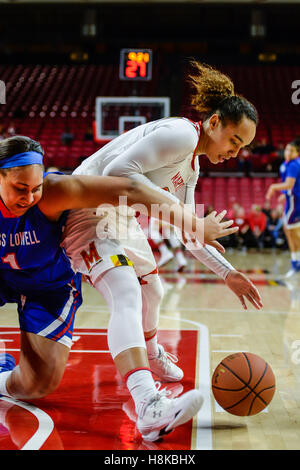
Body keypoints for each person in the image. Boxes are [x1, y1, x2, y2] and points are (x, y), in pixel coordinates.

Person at [61, 61, 263, 436]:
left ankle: (151, 353)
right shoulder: (182, 134)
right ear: (214, 123)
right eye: (235, 141)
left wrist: (228, 273)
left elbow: (189, 233)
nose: (236, 152)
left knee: (154, 288)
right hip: (87, 208)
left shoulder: (193, 166)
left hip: (119, 218)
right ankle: (148, 406)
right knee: (126, 293)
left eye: (244, 147)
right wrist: (189, 220)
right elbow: (117, 173)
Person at [0, 135, 236, 442]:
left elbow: (130, 189)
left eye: (36, 187)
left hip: (46, 286)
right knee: (128, 292)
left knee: (37, 386)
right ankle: (149, 401)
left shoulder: (54, 192)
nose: (30, 197)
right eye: (20, 188)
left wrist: (194, 224)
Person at [266, 141, 300, 277]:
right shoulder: (285, 164)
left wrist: (273, 187)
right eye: (286, 149)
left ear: (297, 153)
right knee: (290, 232)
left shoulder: (294, 165)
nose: (288, 152)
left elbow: (289, 184)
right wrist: (285, 195)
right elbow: (291, 186)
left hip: (295, 202)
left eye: (291, 151)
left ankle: (295, 263)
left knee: (291, 232)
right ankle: (295, 263)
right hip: (292, 200)